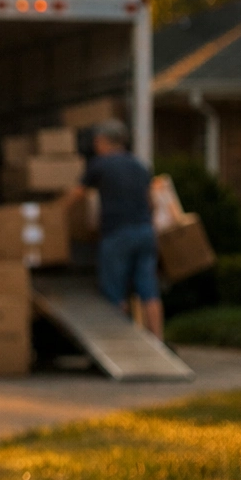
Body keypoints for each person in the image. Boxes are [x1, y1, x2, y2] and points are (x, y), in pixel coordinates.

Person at [70, 118, 161, 337]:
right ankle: (159, 340)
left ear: (102, 141)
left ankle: (122, 338)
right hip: (145, 231)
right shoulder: (139, 165)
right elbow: (152, 202)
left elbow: (77, 196)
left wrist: (50, 213)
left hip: (117, 233)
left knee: (114, 291)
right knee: (148, 290)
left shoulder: (100, 165)